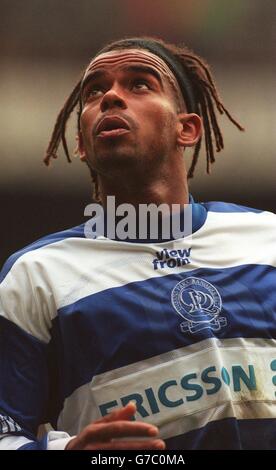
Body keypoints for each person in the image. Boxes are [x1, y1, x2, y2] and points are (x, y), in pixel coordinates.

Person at [0, 36, 276, 451]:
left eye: (140, 84)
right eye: (94, 91)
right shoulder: (36, 276)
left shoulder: (267, 240)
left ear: (187, 129)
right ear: (81, 143)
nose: (110, 96)